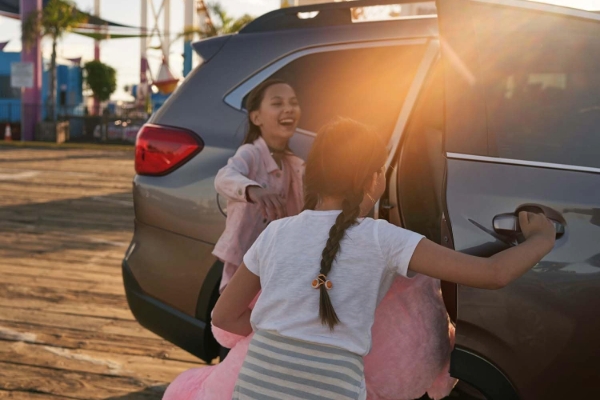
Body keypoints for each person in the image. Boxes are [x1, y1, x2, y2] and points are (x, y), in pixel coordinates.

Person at [212, 117, 556, 400]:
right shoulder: (383, 238)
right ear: (375, 179)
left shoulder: (276, 233)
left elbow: (224, 315)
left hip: (256, 386)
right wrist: (542, 238)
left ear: (311, 175)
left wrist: (272, 331)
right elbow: (493, 273)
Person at [212, 79, 305, 293]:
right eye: (277, 103)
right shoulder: (251, 153)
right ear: (256, 117)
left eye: (293, 103)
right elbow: (224, 177)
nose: (288, 109)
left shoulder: (294, 164)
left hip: (276, 266)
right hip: (244, 266)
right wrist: (253, 190)